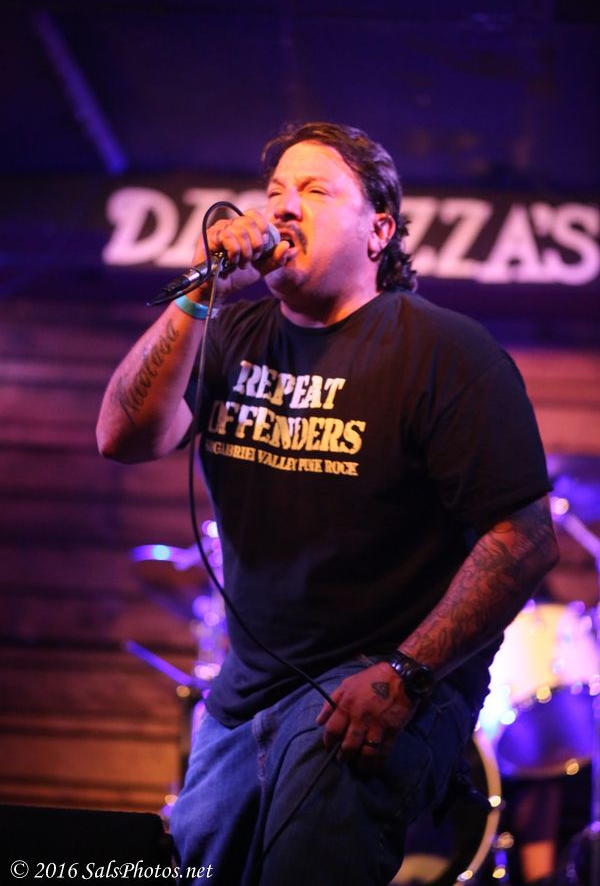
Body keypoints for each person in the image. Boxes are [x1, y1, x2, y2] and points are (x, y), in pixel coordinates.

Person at [96, 121, 559, 886]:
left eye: (314, 190)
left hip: (384, 680)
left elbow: (526, 538)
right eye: (275, 190)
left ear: (379, 231)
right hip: (247, 690)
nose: (282, 206)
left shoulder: (446, 353)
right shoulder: (230, 333)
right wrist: (200, 292)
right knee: (196, 866)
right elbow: (123, 435)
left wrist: (405, 675)